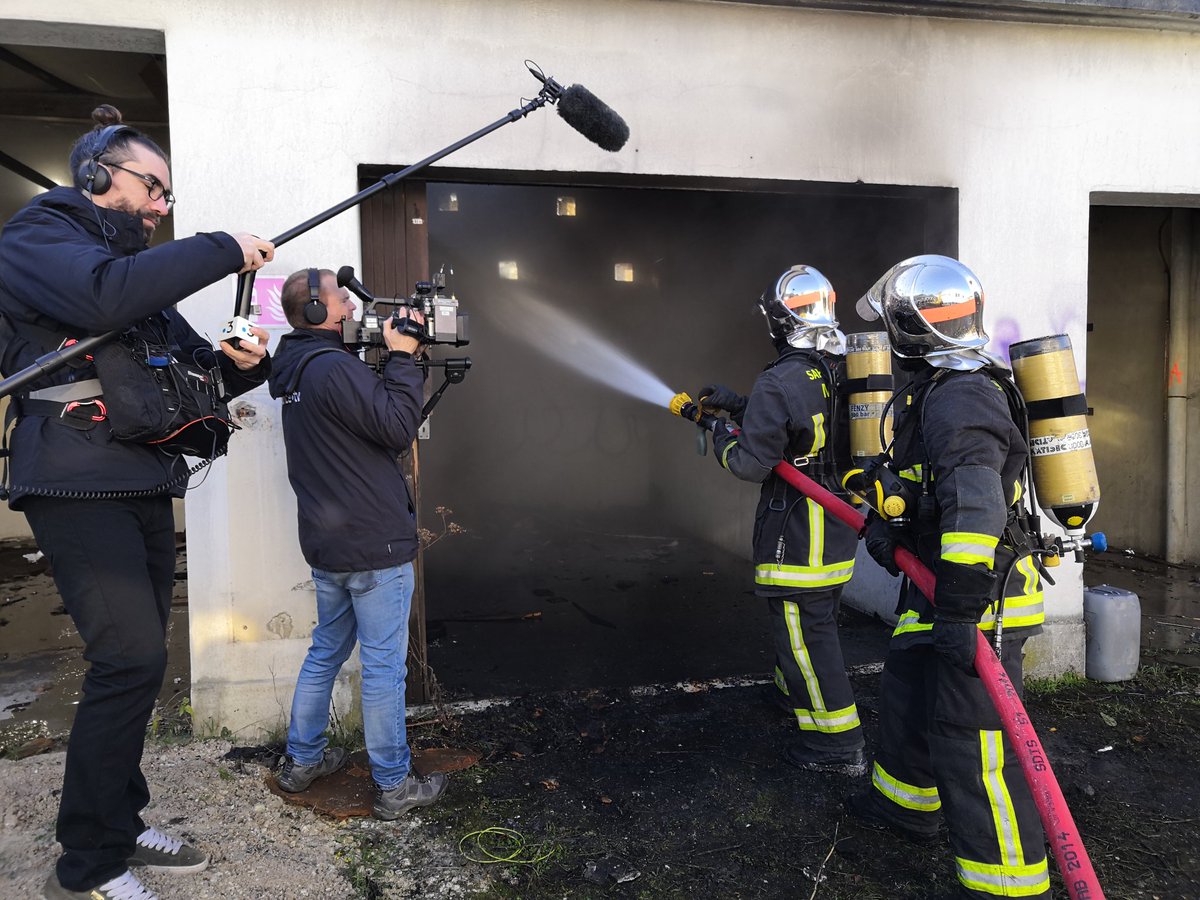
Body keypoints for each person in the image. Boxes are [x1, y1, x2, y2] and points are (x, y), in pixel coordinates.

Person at [0, 105, 274, 900]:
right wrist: (221, 247)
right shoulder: (38, 241)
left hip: (141, 479)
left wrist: (240, 365)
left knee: (135, 664)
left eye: (168, 195)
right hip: (76, 482)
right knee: (128, 660)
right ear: (98, 178)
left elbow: (193, 368)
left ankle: (122, 821)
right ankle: (87, 866)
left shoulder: (137, 281)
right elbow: (99, 297)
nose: (162, 206)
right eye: (152, 188)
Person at [849, 255, 1050, 899]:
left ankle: (1008, 879)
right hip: (934, 588)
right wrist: (889, 522)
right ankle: (907, 806)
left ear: (910, 329)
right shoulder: (940, 390)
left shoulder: (961, 395)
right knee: (909, 697)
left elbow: (975, 505)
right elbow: (929, 492)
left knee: (976, 740)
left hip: (975, 600)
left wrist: (962, 610)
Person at [266, 267, 448, 820]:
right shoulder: (331, 369)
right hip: (374, 548)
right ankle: (394, 786)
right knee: (383, 669)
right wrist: (402, 356)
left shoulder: (296, 370)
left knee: (325, 653)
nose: (350, 308)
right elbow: (397, 426)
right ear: (317, 313)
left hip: (329, 547)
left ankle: (302, 762)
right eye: (341, 299)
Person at [699, 265, 865, 776]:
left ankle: (837, 743)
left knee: (805, 633)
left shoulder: (780, 379)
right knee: (813, 625)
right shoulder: (841, 368)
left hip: (798, 535)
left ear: (779, 322)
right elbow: (806, 425)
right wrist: (739, 406)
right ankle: (794, 694)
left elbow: (753, 462)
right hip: (838, 526)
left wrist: (724, 436)